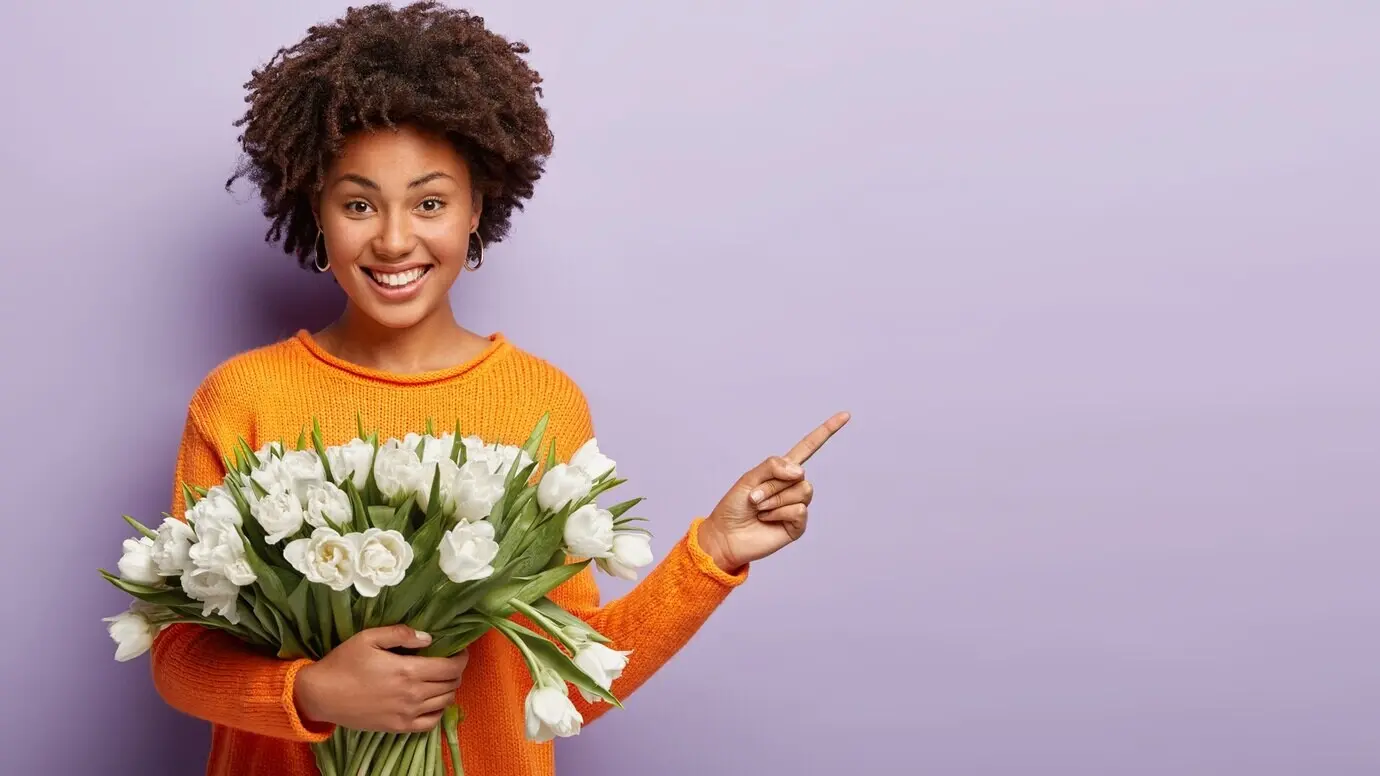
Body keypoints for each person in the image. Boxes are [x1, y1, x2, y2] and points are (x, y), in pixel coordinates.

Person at [149, 3, 849, 775]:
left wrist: (710, 553)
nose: (392, 239)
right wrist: (312, 691)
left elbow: (573, 677)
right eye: (357, 204)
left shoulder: (539, 403)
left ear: (477, 209)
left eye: (430, 202)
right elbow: (178, 653)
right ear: (316, 211)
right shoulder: (241, 398)